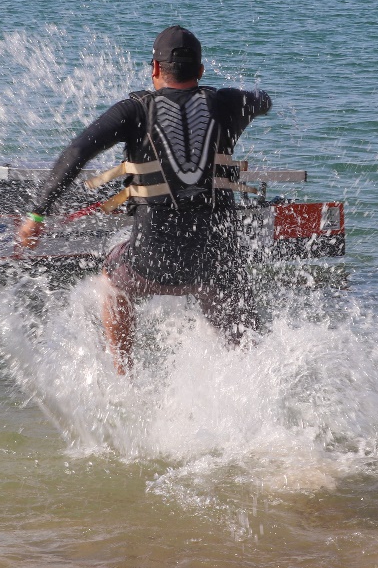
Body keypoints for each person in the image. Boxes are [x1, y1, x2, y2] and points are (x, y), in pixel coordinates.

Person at [16, 26, 272, 373]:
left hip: (151, 264)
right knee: (246, 341)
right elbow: (264, 100)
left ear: (154, 69)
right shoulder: (230, 104)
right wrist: (248, 98)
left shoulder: (132, 111)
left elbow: (76, 152)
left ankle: (124, 374)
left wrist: (37, 216)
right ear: (200, 70)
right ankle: (255, 381)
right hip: (217, 262)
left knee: (111, 281)